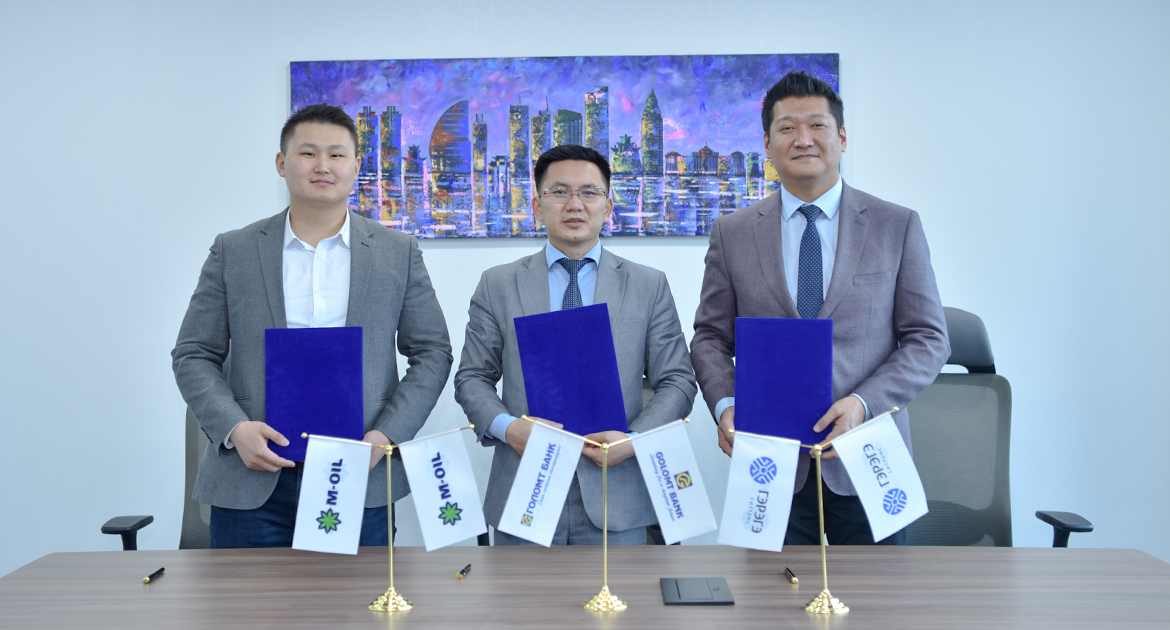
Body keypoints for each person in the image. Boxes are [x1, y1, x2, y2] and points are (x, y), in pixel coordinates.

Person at [171, 104, 453, 548]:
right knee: (246, 598)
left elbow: (433, 352)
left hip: (359, 474)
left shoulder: (396, 252)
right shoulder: (234, 251)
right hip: (252, 479)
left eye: (336, 154)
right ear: (282, 164)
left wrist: (386, 435)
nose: (322, 165)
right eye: (307, 153)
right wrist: (235, 429)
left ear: (356, 166)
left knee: (358, 597)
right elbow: (193, 354)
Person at [691, 72, 950, 545]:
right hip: (770, 461)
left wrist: (864, 404)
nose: (803, 139)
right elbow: (710, 337)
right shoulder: (733, 233)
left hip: (868, 455)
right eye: (787, 128)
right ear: (767, 143)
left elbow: (929, 338)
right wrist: (726, 404)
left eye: (817, 125)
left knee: (879, 591)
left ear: (842, 137)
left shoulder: (896, 226)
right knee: (770, 590)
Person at [454, 144, 696, 545]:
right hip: (525, 489)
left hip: (620, 493)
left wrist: (634, 441)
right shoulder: (498, 284)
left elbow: (678, 380)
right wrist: (509, 429)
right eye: (559, 192)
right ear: (537, 205)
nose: (574, 204)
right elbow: (472, 377)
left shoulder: (648, 285)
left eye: (589, 192)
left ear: (608, 206)